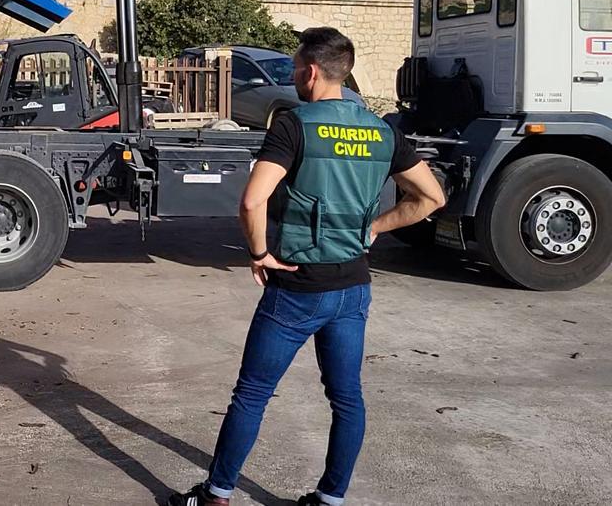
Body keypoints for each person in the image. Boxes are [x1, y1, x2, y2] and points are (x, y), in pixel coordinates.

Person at [170, 28, 446, 506]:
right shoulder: (383, 132)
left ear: (311, 72)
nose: (296, 75)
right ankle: (331, 498)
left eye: (296, 67)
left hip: (297, 288)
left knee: (252, 394)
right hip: (354, 288)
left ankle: (216, 496)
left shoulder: (295, 125)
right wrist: (375, 228)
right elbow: (431, 197)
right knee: (346, 399)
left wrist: (259, 254)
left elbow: (253, 201)